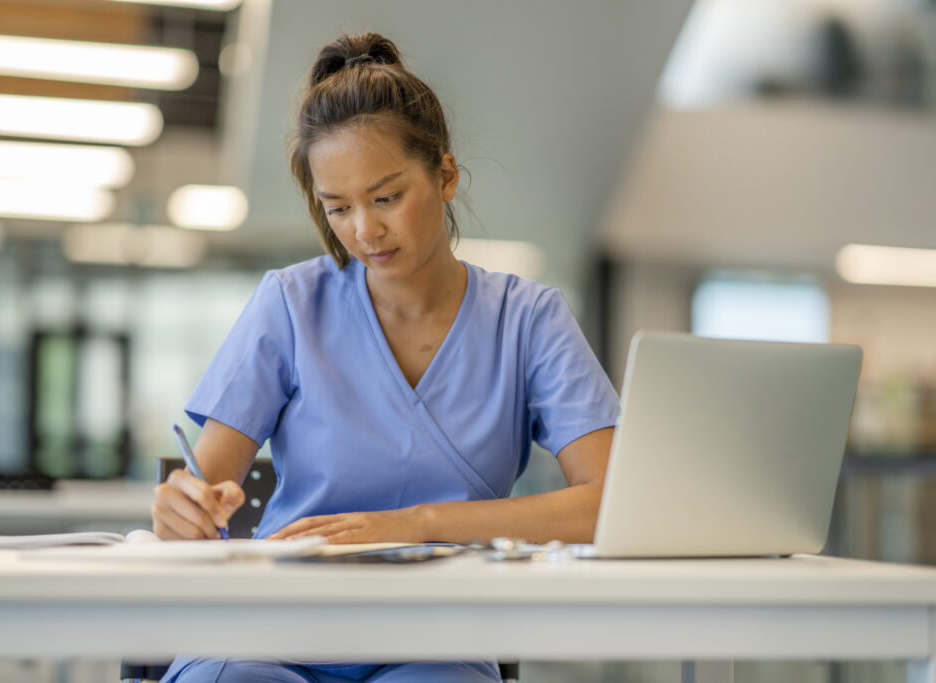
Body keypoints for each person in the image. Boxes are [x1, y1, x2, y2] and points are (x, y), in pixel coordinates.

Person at [152, 32, 619, 683]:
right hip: (271, 627)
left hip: (437, 635)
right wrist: (183, 508)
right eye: (336, 208)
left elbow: (606, 505)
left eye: (386, 197)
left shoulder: (528, 318)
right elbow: (202, 491)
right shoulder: (291, 302)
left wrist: (414, 524)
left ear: (446, 176)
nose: (364, 231)